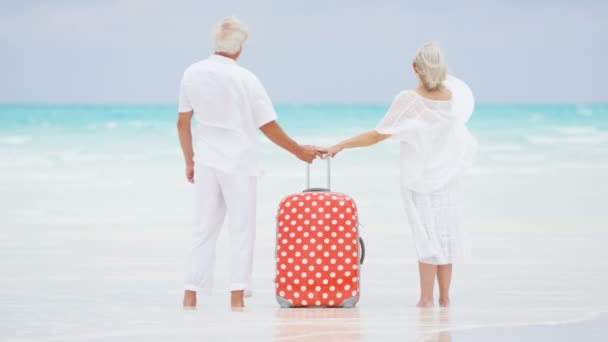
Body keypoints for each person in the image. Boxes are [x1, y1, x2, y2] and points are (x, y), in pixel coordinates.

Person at [176, 16, 321, 309]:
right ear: (239, 48)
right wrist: (298, 151)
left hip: (206, 161)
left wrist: (189, 161)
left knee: (203, 228)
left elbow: (182, 123)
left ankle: (190, 295)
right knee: (241, 230)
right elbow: (267, 126)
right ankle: (237, 298)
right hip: (240, 163)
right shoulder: (246, 79)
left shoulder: (191, 73)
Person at [324, 43, 477, 308]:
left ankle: (426, 299)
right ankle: (444, 299)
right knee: (445, 236)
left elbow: (377, 135)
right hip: (447, 178)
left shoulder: (409, 100)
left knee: (426, 237)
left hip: (419, 180)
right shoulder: (453, 97)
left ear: (415, 68)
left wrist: (341, 145)